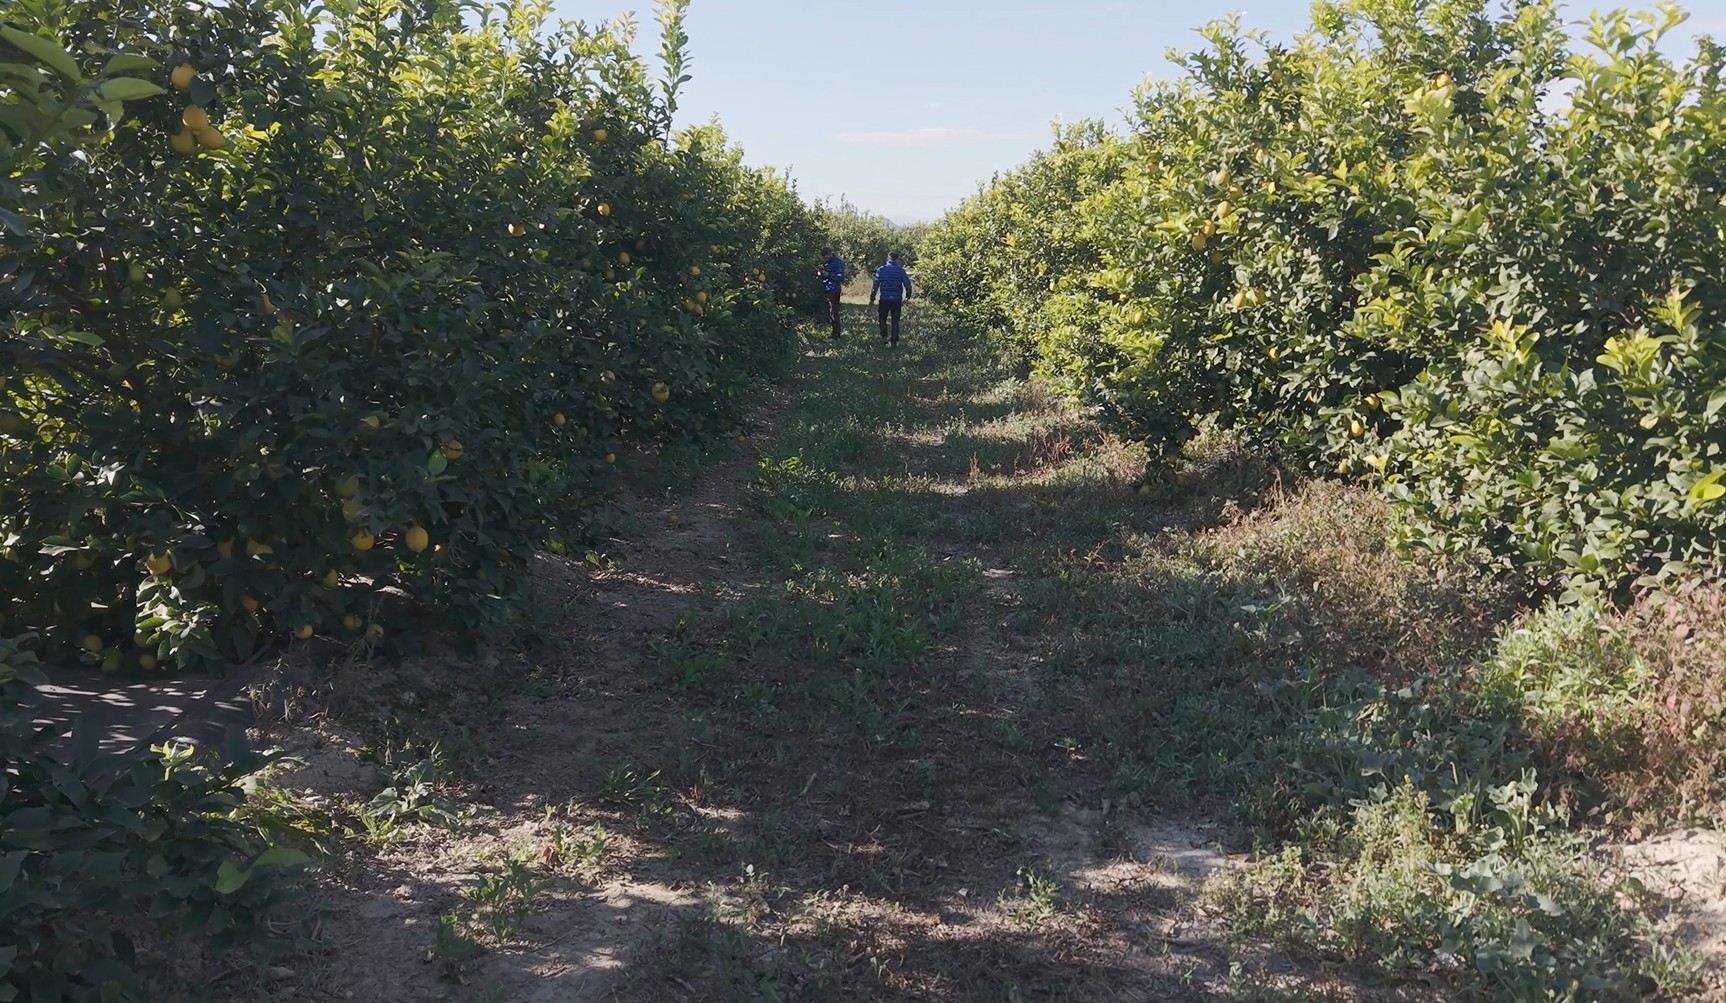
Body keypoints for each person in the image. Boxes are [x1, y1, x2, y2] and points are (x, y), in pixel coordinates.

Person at [868, 251, 912, 346]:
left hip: (884, 298)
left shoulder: (881, 270)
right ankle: (894, 340)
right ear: (897, 259)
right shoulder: (901, 271)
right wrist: (908, 295)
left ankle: (884, 335)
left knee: (882, 318)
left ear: (888, 258)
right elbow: (907, 284)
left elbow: (875, 285)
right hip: (896, 299)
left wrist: (872, 297)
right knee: (895, 320)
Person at [817, 248, 845, 339]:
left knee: (834, 312)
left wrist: (829, 275)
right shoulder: (826, 263)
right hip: (827, 289)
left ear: (830, 254)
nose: (825, 259)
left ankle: (836, 334)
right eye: (824, 258)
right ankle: (834, 332)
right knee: (829, 312)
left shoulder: (838, 263)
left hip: (834, 289)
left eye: (826, 257)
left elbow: (840, 278)